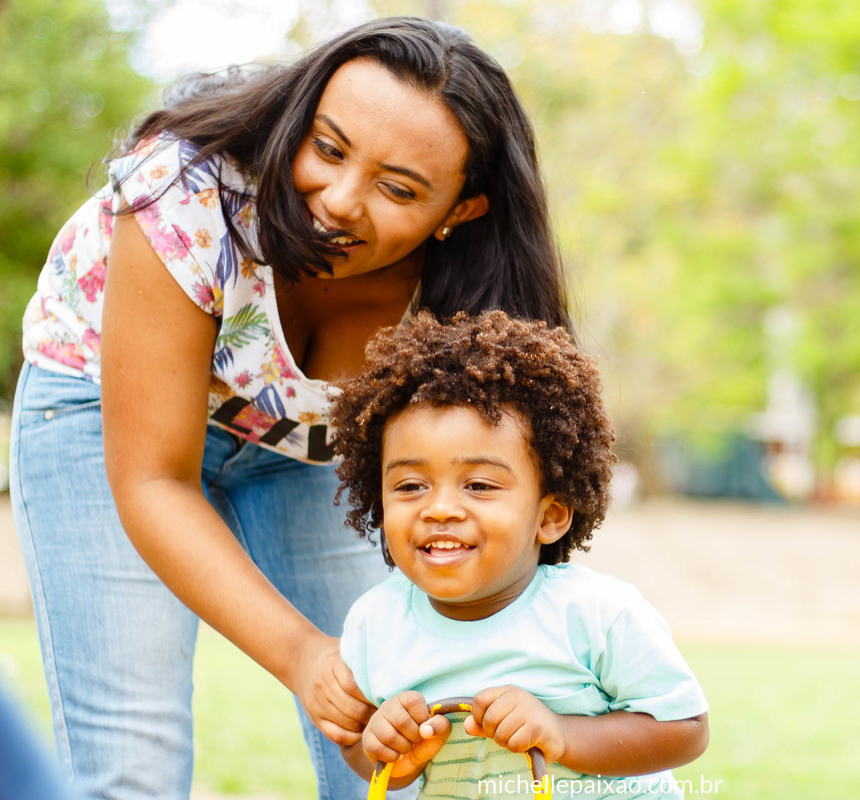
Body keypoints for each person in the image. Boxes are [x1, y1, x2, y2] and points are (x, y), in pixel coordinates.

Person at [10, 16, 570, 800]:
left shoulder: (466, 304)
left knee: (408, 750)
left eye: (399, 189)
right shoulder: (186, 192)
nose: (338, 202)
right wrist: (304, 654)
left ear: (462, 209)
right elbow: (152, 481)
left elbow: (498, 497)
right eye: (329, 148)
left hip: (304, 452)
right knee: (131, 769)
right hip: (100, 411)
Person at [331, 310, 710, 799]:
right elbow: (363, 751)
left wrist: (561, 733)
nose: (440, 508)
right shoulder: (375, 623)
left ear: (549, 516)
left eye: (480, 485)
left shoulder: (596, 615)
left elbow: (686, 727)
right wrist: (386, 746)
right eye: (410, 485)